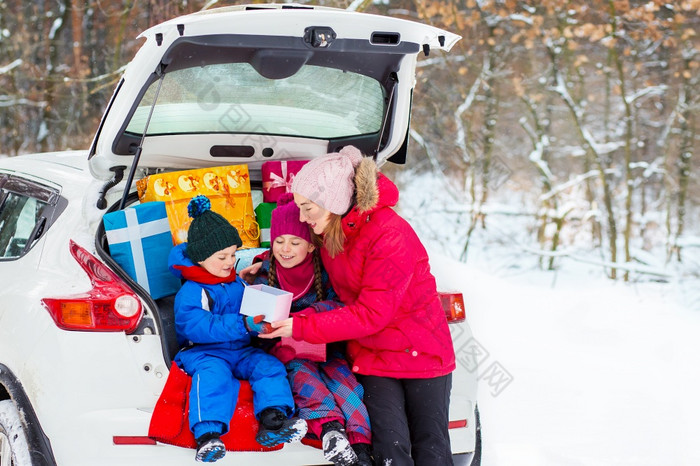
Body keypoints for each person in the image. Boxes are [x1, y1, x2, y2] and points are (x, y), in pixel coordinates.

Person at [259, 146, 457, 466]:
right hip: (373, 355)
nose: (302, 216)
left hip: (421, 352)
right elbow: (298, 254)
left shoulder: (389, 234)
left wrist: (301, 326)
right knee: (390, 450)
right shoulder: (333, 230)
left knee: (430, 449)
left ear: (333, 202)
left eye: (307, 207)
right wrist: (261, 263)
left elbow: (372, 313)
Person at [168, 195, 307, 463]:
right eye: (222, 257)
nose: (231, 261)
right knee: (213, 376)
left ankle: (273, 422)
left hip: (241, 350)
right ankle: (207, 436)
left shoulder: (237, 284)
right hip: (204, 353)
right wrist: (244, 324)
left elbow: (250, 315)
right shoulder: (192, 291)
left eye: (233, 254)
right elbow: (197, 327)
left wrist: (264, 322)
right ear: (200, 258)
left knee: (269, 366)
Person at [245, 193, 373, 466]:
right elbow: (248, 316)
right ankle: (330, 431)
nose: (285, 249)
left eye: (295, 242)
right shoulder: (263, 270)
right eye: (279, 241)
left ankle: (361, 447)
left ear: (312, 246)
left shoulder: (325, 271)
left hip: (325, 348)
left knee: (345, 385)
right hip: (287, 351)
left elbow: (341, 304)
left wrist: (309, 315)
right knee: (304, 379)